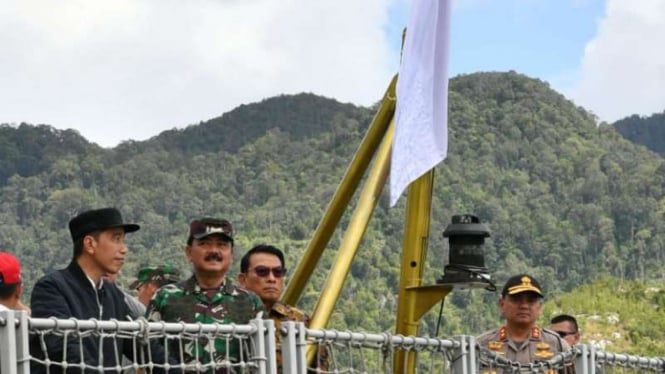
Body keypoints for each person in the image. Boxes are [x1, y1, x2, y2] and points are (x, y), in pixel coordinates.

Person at [29, 207, 177, 373]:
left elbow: (143, 346)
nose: (124, 249)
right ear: (90, 244)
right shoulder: (52, 288)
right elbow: (64, 349)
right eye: (116, 239)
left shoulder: (112, 294)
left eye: (123, 240)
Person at [146, 218, 263, 372]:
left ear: (231, 254)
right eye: (204, 244)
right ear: (189, 253)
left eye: (222, 245)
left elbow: (262, 356)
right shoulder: (165, 297)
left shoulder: (249, 302)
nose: (214, 251)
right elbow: (147, 350)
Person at [238, 244, 327, 372]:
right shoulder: (228, 316)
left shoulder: (300, 322)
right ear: (243, 279)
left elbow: (321, 368)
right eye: (262, 271)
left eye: (278, 272)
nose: (271, 278)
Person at [477, 274, 574, 374]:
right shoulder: (481, 345)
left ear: (540, 307)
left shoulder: (557, 344)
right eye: (516, 299)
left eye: (531, 300)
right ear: (502, 304)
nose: (524, 305)